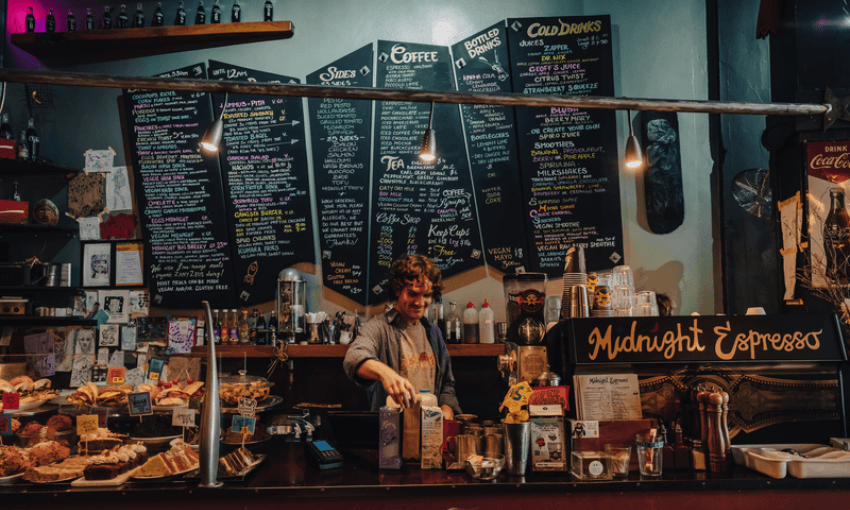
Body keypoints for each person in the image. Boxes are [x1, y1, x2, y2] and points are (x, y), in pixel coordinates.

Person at [343, 254, 460, 420]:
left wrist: (447, 410)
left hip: (429, 432)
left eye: (426, 295)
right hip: (392, 434)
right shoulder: (378, 328)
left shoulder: (433, 333)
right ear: (398, 290)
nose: (420, 302)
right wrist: (385, 373)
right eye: (412, 294)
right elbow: (353, 357)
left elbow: (447, 385)